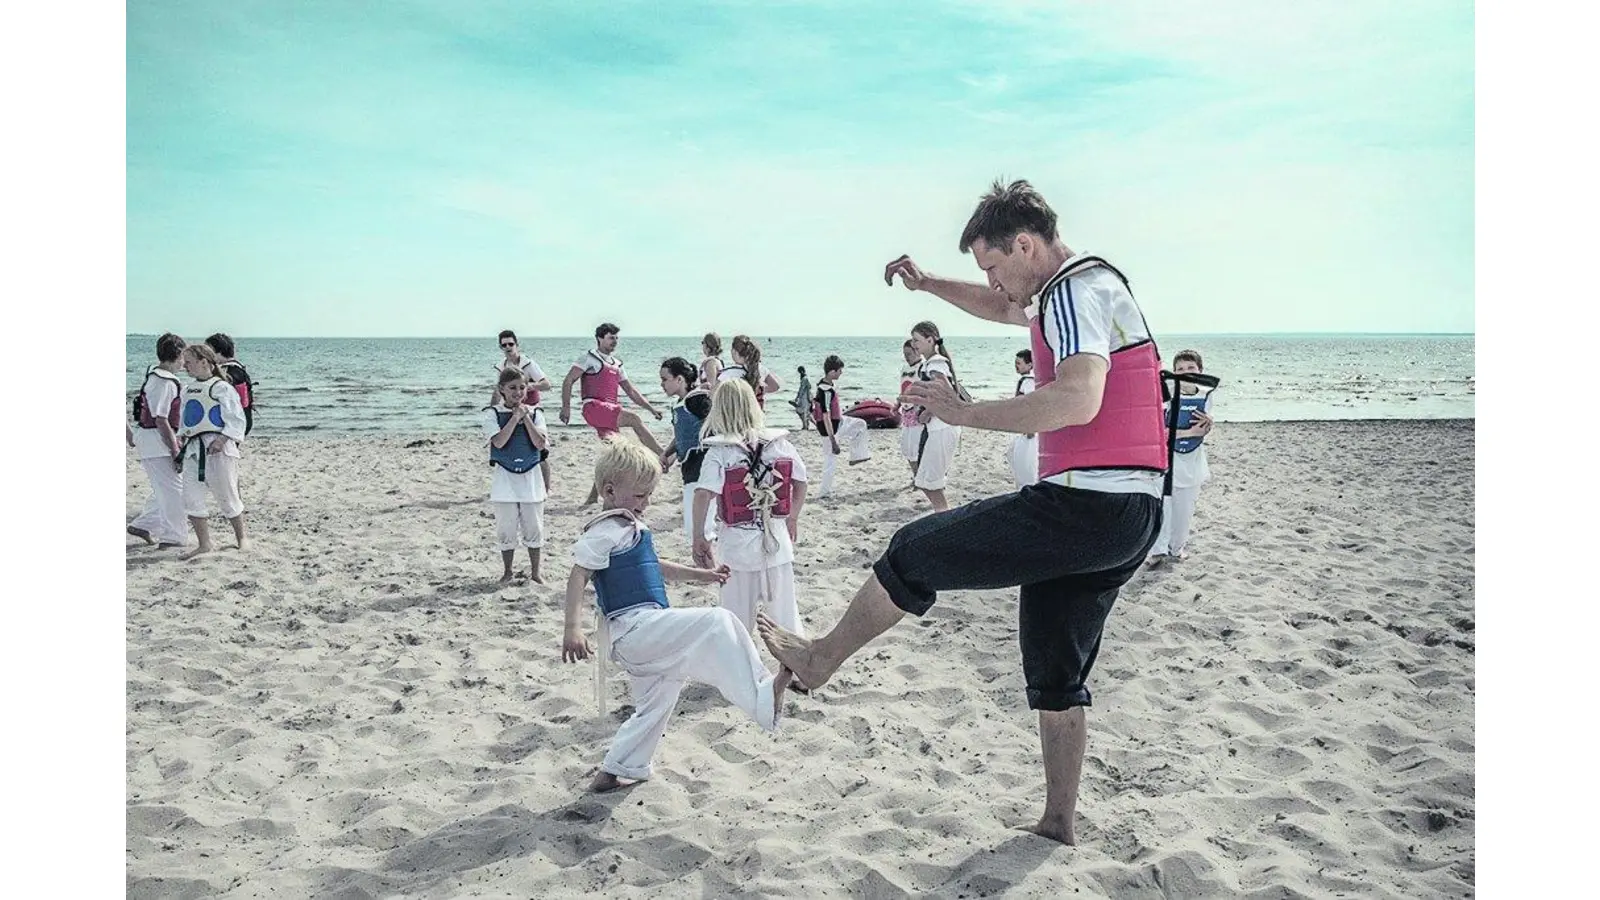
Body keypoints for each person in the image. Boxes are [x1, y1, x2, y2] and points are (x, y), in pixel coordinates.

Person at [758, 179, 1168, 847]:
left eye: (995, 265)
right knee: (1055, 667)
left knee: (915, 551)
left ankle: (819, 660)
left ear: (1028, 245)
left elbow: (1079, 399)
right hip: (1132, 515)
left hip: (1087, 505)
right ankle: (1058, 823)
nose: (994, 282)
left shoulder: (1068, 291)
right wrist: (928, 286)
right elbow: (1005, 310)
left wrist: (963, 413)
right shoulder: (1083, 288)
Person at [560, 436, 791, 792]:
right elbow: (578, 574)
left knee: (657, 702)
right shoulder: (604, 531)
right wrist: (572, 629)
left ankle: (617, 769)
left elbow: (654, 566)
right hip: (632, 632)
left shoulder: (631, 528)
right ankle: (763, 697)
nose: (646, 503)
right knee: (720, 620)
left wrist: (703, 576)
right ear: (608, 491)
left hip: (645, 635)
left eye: (650, 495)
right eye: (640, 496)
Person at [692, 380, 808, 637]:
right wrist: (793, 518)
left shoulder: (720, 452)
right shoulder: (780, 445)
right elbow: (801, 482)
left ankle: (739, 671)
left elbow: (703, 494)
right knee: (786, 617)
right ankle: (795, 669)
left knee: (736, 622)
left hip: (738, 548)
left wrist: (698, 535)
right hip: (777, 543)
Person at [560, 322, 665, 506]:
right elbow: (568, 381)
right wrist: (566, 407)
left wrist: (651, 409)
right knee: (633, 419)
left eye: (616, 338)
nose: (614, 342)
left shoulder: (617, 364)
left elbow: (631, 391)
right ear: (600, 338)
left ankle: (593, 496)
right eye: (610, 338)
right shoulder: (588, 358)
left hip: (608, 411)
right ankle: (663, 454)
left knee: (613, 454)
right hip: (593, 407)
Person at [174, 343, 249, 560]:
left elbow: (236, 419)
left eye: (189, 363)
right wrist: (181, 437)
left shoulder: (222, 388)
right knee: (191, 496)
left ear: (204, 362)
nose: (185, 367)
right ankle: (204, 543)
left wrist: (223, 439)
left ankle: (241, 538)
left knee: (227, 494)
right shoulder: (187, 390)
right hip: (193, 449)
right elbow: (186, 417)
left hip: (218, 448)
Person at [1147, 350, 1216, 565]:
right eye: (1180, 369)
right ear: (1174, 373)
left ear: (1200, 371)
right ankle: (1158, 550)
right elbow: (1159, 431)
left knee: (1185, 508)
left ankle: (1176, 548)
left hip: (1192, 459)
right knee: (1163, 506)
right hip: (1167, 460)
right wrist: (1190, 433)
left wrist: (1207, 426)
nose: (1186, 372)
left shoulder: (1205, 394)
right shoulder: (1166, 395)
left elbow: (1202, 427)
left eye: (1191, 368)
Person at [482, 367, 550, 582]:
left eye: (522, 387)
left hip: (531, 476)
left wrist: (526, 417)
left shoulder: (537, 413)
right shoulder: (492, 413)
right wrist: (514, 418)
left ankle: (536, 573)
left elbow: (540, 443)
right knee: (506, 527)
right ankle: (508, 571)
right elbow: (499, 442)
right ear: (502, 389)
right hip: (505, 477)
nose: (518, 392)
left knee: (534, 526)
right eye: (512, 388)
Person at [127, 333, 189, 548]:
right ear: (178, 354)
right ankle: (173, 537)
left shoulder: (155, 377)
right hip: (157, 442)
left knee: (166, 488)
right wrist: (174, 450)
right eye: (183, 357)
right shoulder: (165, 381)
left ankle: (145, 524)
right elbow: (161, 418)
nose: (184, 362)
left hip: (150, 440)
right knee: (175, 491)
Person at [657, 356, 714, 549]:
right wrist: (668, 452)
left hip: (702, 470)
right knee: (695, 529)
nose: (662, 384)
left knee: (701, 529)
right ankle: (711, 573)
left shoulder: (697, 400)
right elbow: (683, 434)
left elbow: (714, 426)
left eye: (665, 379)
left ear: (680, 379)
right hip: (689, 471)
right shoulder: (682, 404)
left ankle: (711, 573)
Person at [907, 321, 963, 512]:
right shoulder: (931, 363)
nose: (914, 344)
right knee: (924, 480)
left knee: (930, 482)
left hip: (943, 427)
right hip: (938, 428)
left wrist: (928, 412)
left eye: (917, 340)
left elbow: (947, 392)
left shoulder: (936, 363)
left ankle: (944, 515)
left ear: (930, 340)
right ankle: (943, 513)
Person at [493, 329, 555, 495]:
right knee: (512, 446)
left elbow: (547, 384)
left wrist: (525, 387)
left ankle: (546, 488)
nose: (508, 347)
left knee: (540, 450)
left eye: (510, 344)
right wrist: (493, 410)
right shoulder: (502, 367)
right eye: (504, 345)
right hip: (510, 411)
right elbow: (498, 390)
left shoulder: (528, 364)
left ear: (516, 344)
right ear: (500, 347)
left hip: (530, 409)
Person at [811, 355, 871, 497]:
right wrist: (833, 442)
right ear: (832, 372)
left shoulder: (825, 385)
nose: (841, 373)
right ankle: (824, 492)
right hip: (830, 429)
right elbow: (825, 415)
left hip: (839, 422)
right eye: (839, 371)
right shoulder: (825, 390)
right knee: (830, 461)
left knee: (860, 424)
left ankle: (856, 456)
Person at [204, 333, 256, 436]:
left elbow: (241, 402)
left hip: (236, 422)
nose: (204, 354)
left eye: (207, 350)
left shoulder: (232, 371)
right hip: (239, 420)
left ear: (218, 351)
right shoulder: (237, 369)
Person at [717, 335, 781, 409]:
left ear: (734, 352)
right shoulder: (760, 368)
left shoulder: (728, 373)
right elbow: (775, 386)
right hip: (757, 415)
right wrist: (760, 390)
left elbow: (714, 394)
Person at [1008, 349, 1040, 489]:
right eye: (1015, 363)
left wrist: (1030, 428)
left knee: (1024, 466)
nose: (1016, 366)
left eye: (1019, 363)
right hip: (1028, 429)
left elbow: (1031, 405)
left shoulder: (1028, 381)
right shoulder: (1031, 380)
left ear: (1030, 365)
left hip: (1028, 431)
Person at [896, 339, 923, 484]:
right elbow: (903, 388)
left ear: (917, 351)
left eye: (909, 353)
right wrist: (897, 404)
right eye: (904, 354)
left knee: (916, 447)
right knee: (906, 447)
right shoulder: (904, 369)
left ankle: (920, 477)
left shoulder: (922, 368)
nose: (906, 356)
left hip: (917, 412)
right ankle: (916, 475)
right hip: (906, 412)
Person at [791, 366, 814, 431]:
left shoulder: (804, 378)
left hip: (805, 398)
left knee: (802, 411)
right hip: (806, 397)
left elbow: (801, 389)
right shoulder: (806, 378)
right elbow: (808, 388)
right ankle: (807, 425)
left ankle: (805, 426)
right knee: (805, 412)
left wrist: (797, 397)